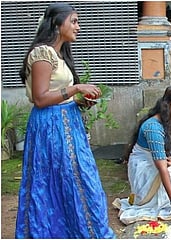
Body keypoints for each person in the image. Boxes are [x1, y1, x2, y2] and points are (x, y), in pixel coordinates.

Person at [15, 3, 114, 238]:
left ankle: (79, 231)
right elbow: (40, 98)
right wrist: (76, 88)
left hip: (68, 123)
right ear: (57, 24)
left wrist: (80, 101)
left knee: (77, 178)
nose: (78, 27)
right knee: (54, 180)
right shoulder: (42, 53)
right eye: (74, 21)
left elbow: (57, 96)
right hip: (49, 126)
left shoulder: (58, 55)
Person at [112, 86, 171, 225]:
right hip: (145, 170)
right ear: (167, 104)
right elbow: (162, 168)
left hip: (163, 164)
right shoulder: (153, 128)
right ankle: (161, 202)